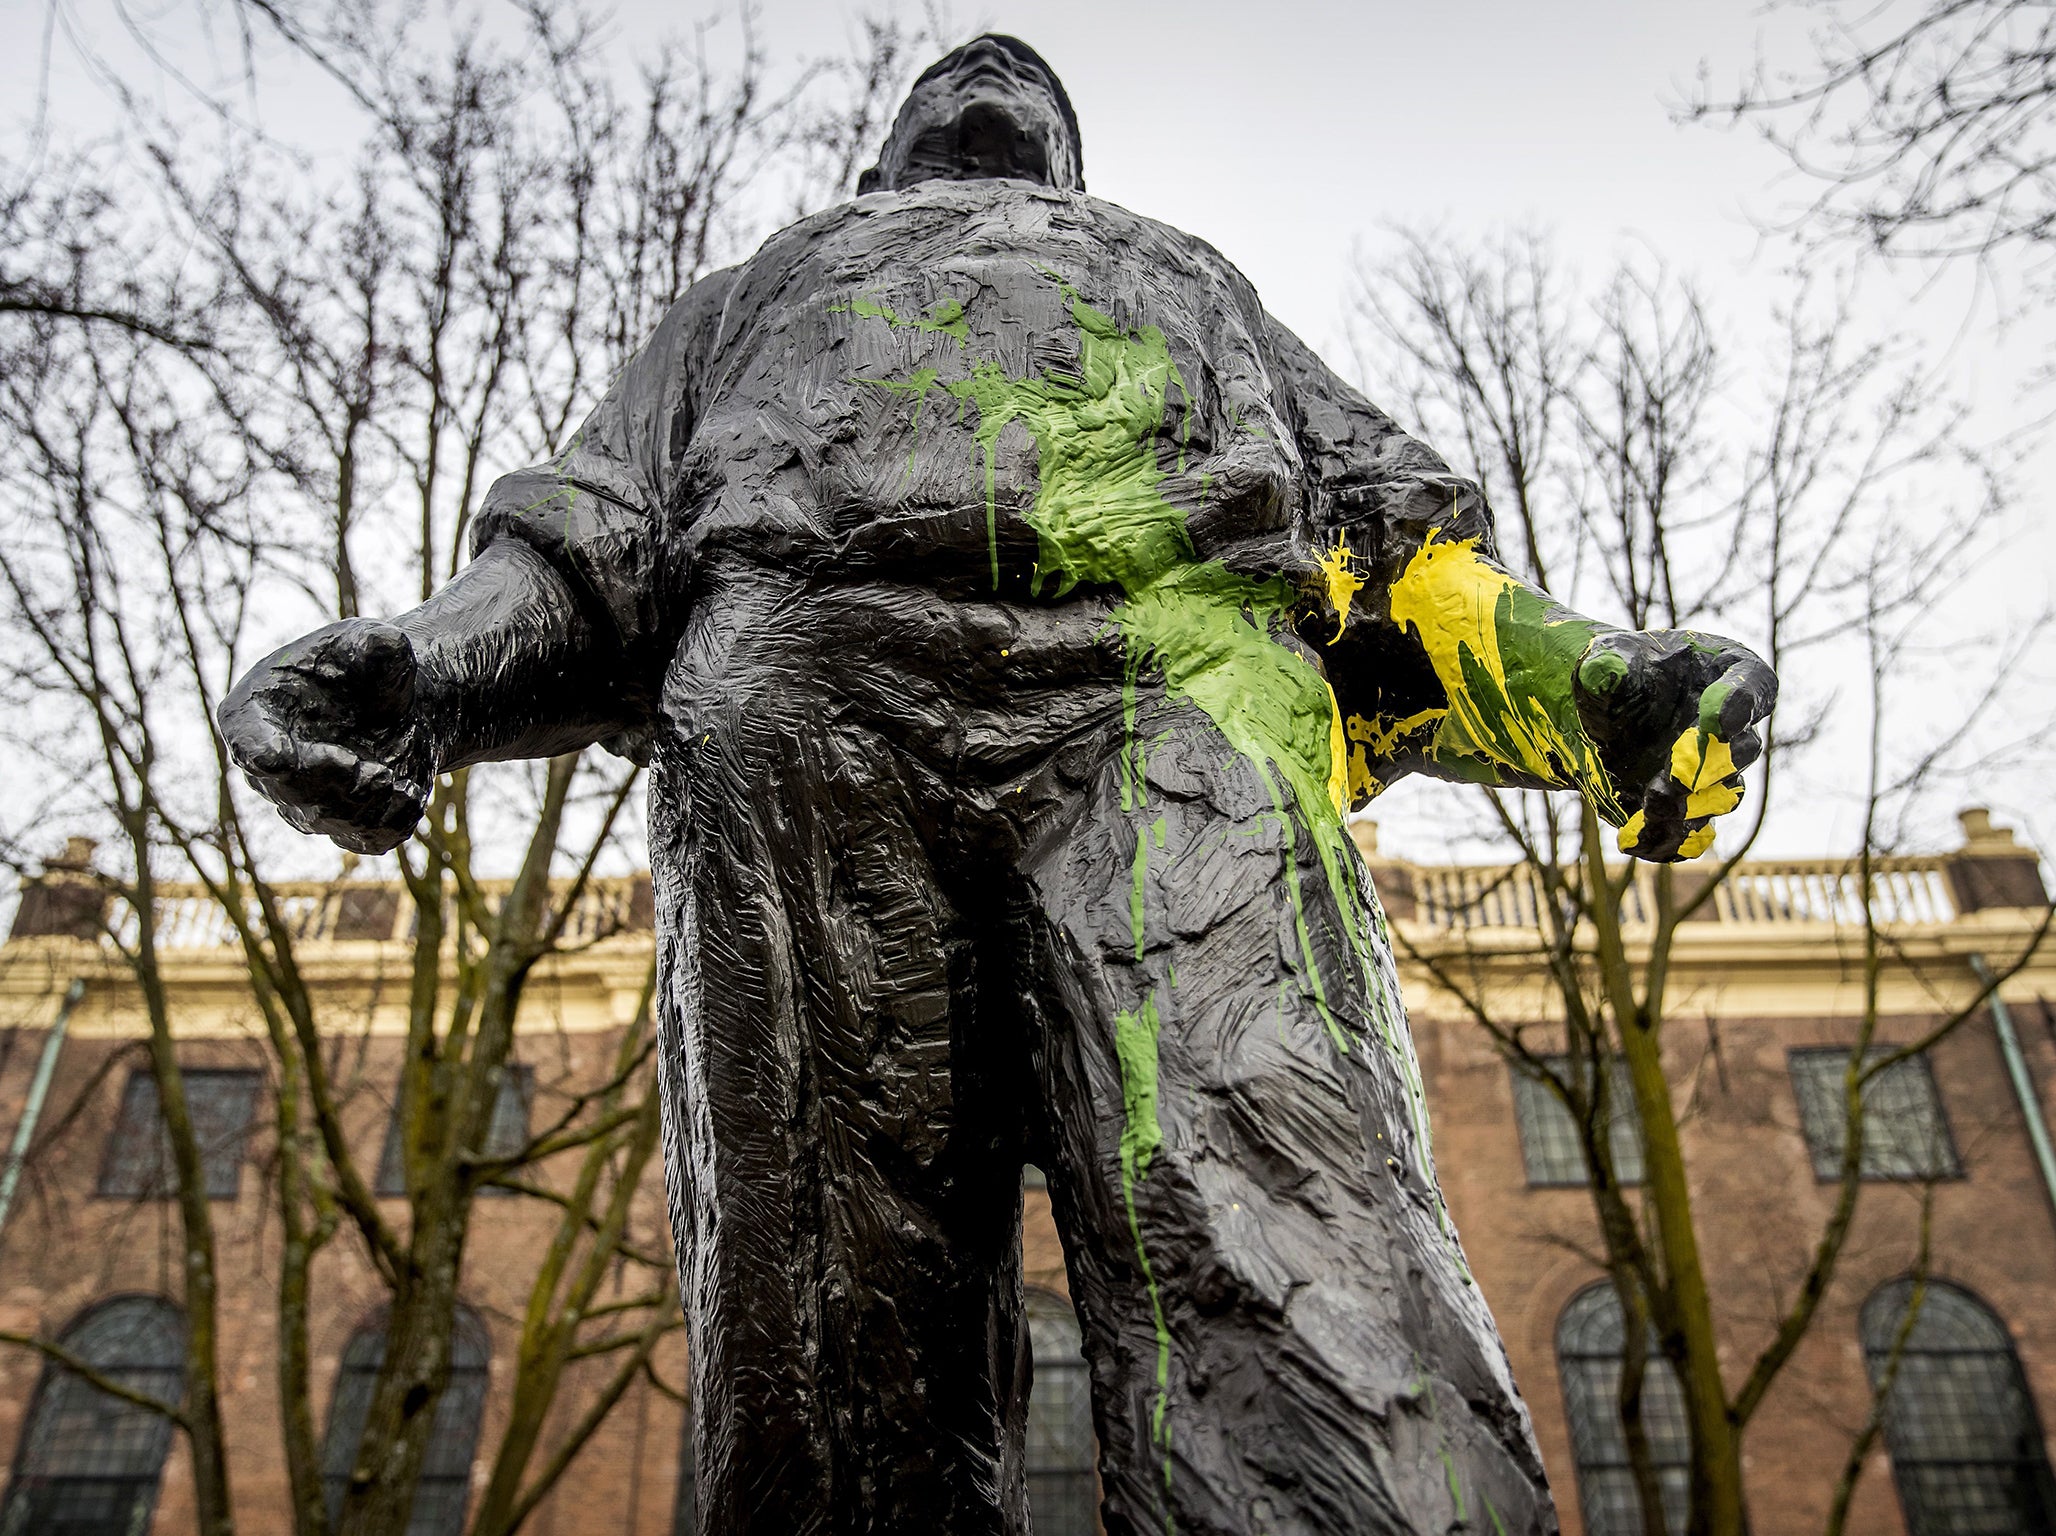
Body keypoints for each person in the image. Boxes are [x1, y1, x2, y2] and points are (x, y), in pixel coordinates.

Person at [220, 34, 1773, 1536]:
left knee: (1309, 1272)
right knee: (825, 1369)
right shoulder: (753, 289)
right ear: (876, 157)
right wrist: (422, 666)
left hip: (1181, 713)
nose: (990, 65)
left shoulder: (1185, 273)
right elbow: (593, 544)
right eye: (952, 72)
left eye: (1033, 76)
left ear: (1080, 165)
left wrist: (1595, 683)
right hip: (805, 721)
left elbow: (1398, 546)